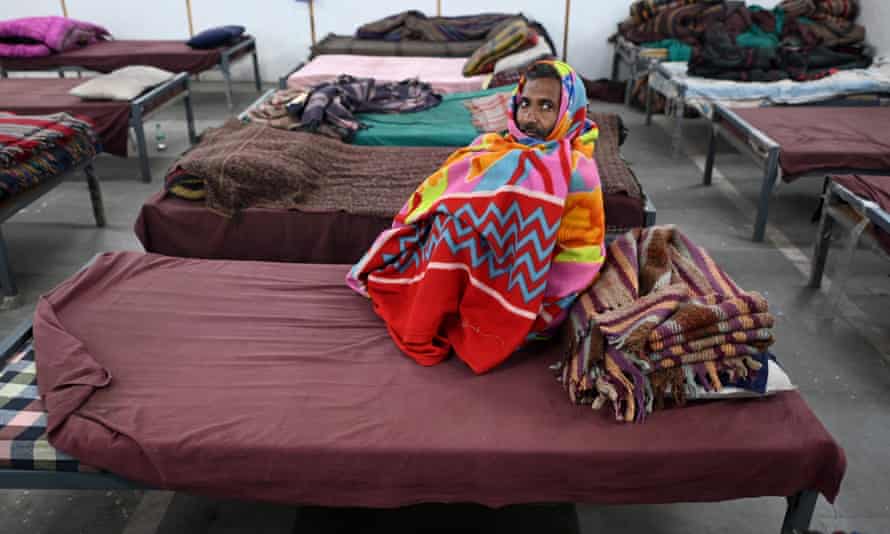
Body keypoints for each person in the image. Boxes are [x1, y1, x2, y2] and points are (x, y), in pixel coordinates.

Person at [347, 60, 606, 374]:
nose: (530, 117)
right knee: (449, 223)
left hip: (529, 280)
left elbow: (581, 251)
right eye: (525, 104)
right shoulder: (493, 146)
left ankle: (450, 310)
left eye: (546, 106)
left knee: (459, 231)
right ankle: (436, 301)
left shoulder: (577, 169)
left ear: (569, 111)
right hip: (480, 261)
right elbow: (441, 190)